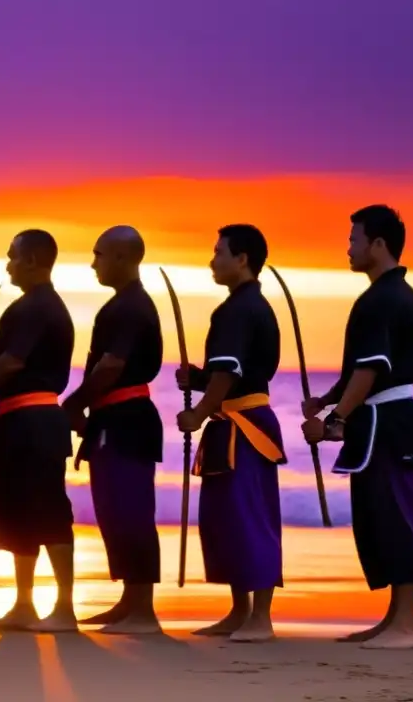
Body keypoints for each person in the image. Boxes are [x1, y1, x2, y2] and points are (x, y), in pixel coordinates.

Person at [301, 205, 413, 650]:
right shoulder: (385, 294)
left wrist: (335, 420)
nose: (348, 248)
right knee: (378, 517)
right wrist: (325, 400)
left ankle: (405, 626)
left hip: (391, 423)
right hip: (380, 421)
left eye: (354, 239)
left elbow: (372, 369)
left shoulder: (385, 298)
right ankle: (392, 620)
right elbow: (358, 370)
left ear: (378, 245)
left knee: (399, 517)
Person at [174, 224, 286, 643]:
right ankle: (239, 612)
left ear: (242, 259)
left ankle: (260, 618)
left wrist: (200, 411)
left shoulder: (238, 310)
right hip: (236, 421)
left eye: (219, 252)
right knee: (227, 521)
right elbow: (232, 372)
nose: (212, 260)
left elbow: (230, 371)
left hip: (246, 427)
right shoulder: (246, 306)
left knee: (249, 517)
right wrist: (200, 380)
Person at [0, 229, 77, 633]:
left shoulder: (37, 306)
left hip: (35, 423)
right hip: (22, 423)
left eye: (12, 256)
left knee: (47, 510)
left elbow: (12, 365)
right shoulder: (31, 307)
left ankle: (64, 608)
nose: (7, 263)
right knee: (17, 514)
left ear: (31, 260)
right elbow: (13, 355)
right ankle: (24, 605)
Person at [61, 226, 164, 634]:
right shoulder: (122, 304)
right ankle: (129, 601)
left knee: (131, 510)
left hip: (127, 419)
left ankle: (143, 611)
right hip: (113, 419)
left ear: (123, 258)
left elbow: (111, 367)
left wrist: (74, 402)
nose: (93, 263)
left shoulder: (131, 307)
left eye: (99, 254)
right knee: (113, 511)